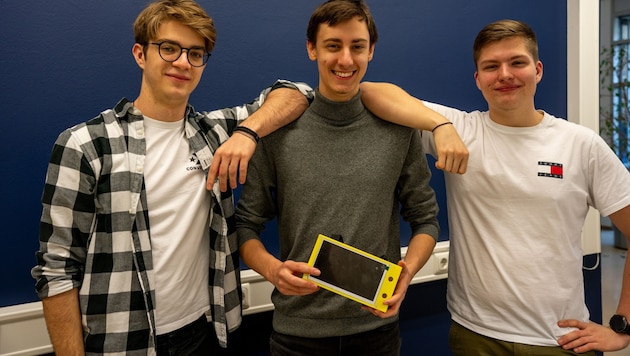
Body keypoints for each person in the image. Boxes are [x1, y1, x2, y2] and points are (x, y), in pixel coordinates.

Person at [30, 0, 314, 354]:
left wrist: (247, 133)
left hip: (209, 331)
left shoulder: (215, 133)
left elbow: (297, 92)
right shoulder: (86, 145)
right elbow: (56, 270)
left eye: (196, 54)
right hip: (123, 344)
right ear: (140, 54)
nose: (183, 62)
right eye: (169, 48)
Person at [360, 19, 630, 355]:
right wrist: (441, 126)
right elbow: (370, 91)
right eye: (491, 67)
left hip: (558, 340)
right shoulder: (462, 129)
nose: (504, 74)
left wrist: (622, 325)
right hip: (474, 334)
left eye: (517, 62)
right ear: (478, 79)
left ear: (538, 70)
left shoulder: (581, 145)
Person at [234, 1, 455, 355]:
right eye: (333, 45)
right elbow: (245, 226)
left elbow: (426, 219)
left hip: (377, 330)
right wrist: (273, 270)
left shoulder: (399, 130)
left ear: (371, 51)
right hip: (296, 334)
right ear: (312, 49)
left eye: (357, 47)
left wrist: (407, 273)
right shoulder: (277, 131)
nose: (346, 60)